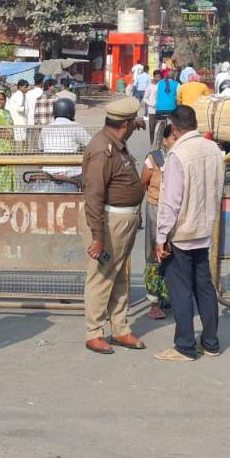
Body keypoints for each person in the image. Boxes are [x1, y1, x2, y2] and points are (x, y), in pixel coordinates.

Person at [154, 105, 224, 362]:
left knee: (181, 291)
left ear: (174, 127)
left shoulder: (178, 154)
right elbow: (218, 188)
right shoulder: (213, 148)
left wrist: (161, 237)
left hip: (182, 232)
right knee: (204, 287)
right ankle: (210, 343)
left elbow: (171, 201)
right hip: (204, 229)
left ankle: (184, 346)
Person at [79, 98, 146, 355]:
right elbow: (93, 195)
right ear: (125, 124)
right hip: (108, 222)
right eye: (133, 123)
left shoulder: (115, 141)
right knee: (101, 277)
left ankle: (120, 328)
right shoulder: (102, 149)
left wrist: (137, 123)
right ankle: (94, 333)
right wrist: (98, 236)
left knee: (119, 276)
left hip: (122, 221)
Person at [141, 126, 173, 320]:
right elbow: (142, 183)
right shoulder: (153, 159)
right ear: (164, 140)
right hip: (155, 210)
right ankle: (154, 302)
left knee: (172, 254)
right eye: (173, 138)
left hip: (176, 212)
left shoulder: (183, 158)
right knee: (154, 256)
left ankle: (168, 295)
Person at [38, 97, 91, 188]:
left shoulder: (46, 128)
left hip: (49, 171)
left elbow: (40, 147)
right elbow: (91, 144)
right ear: (71, 111)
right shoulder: (75, 127)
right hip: (70, 172)